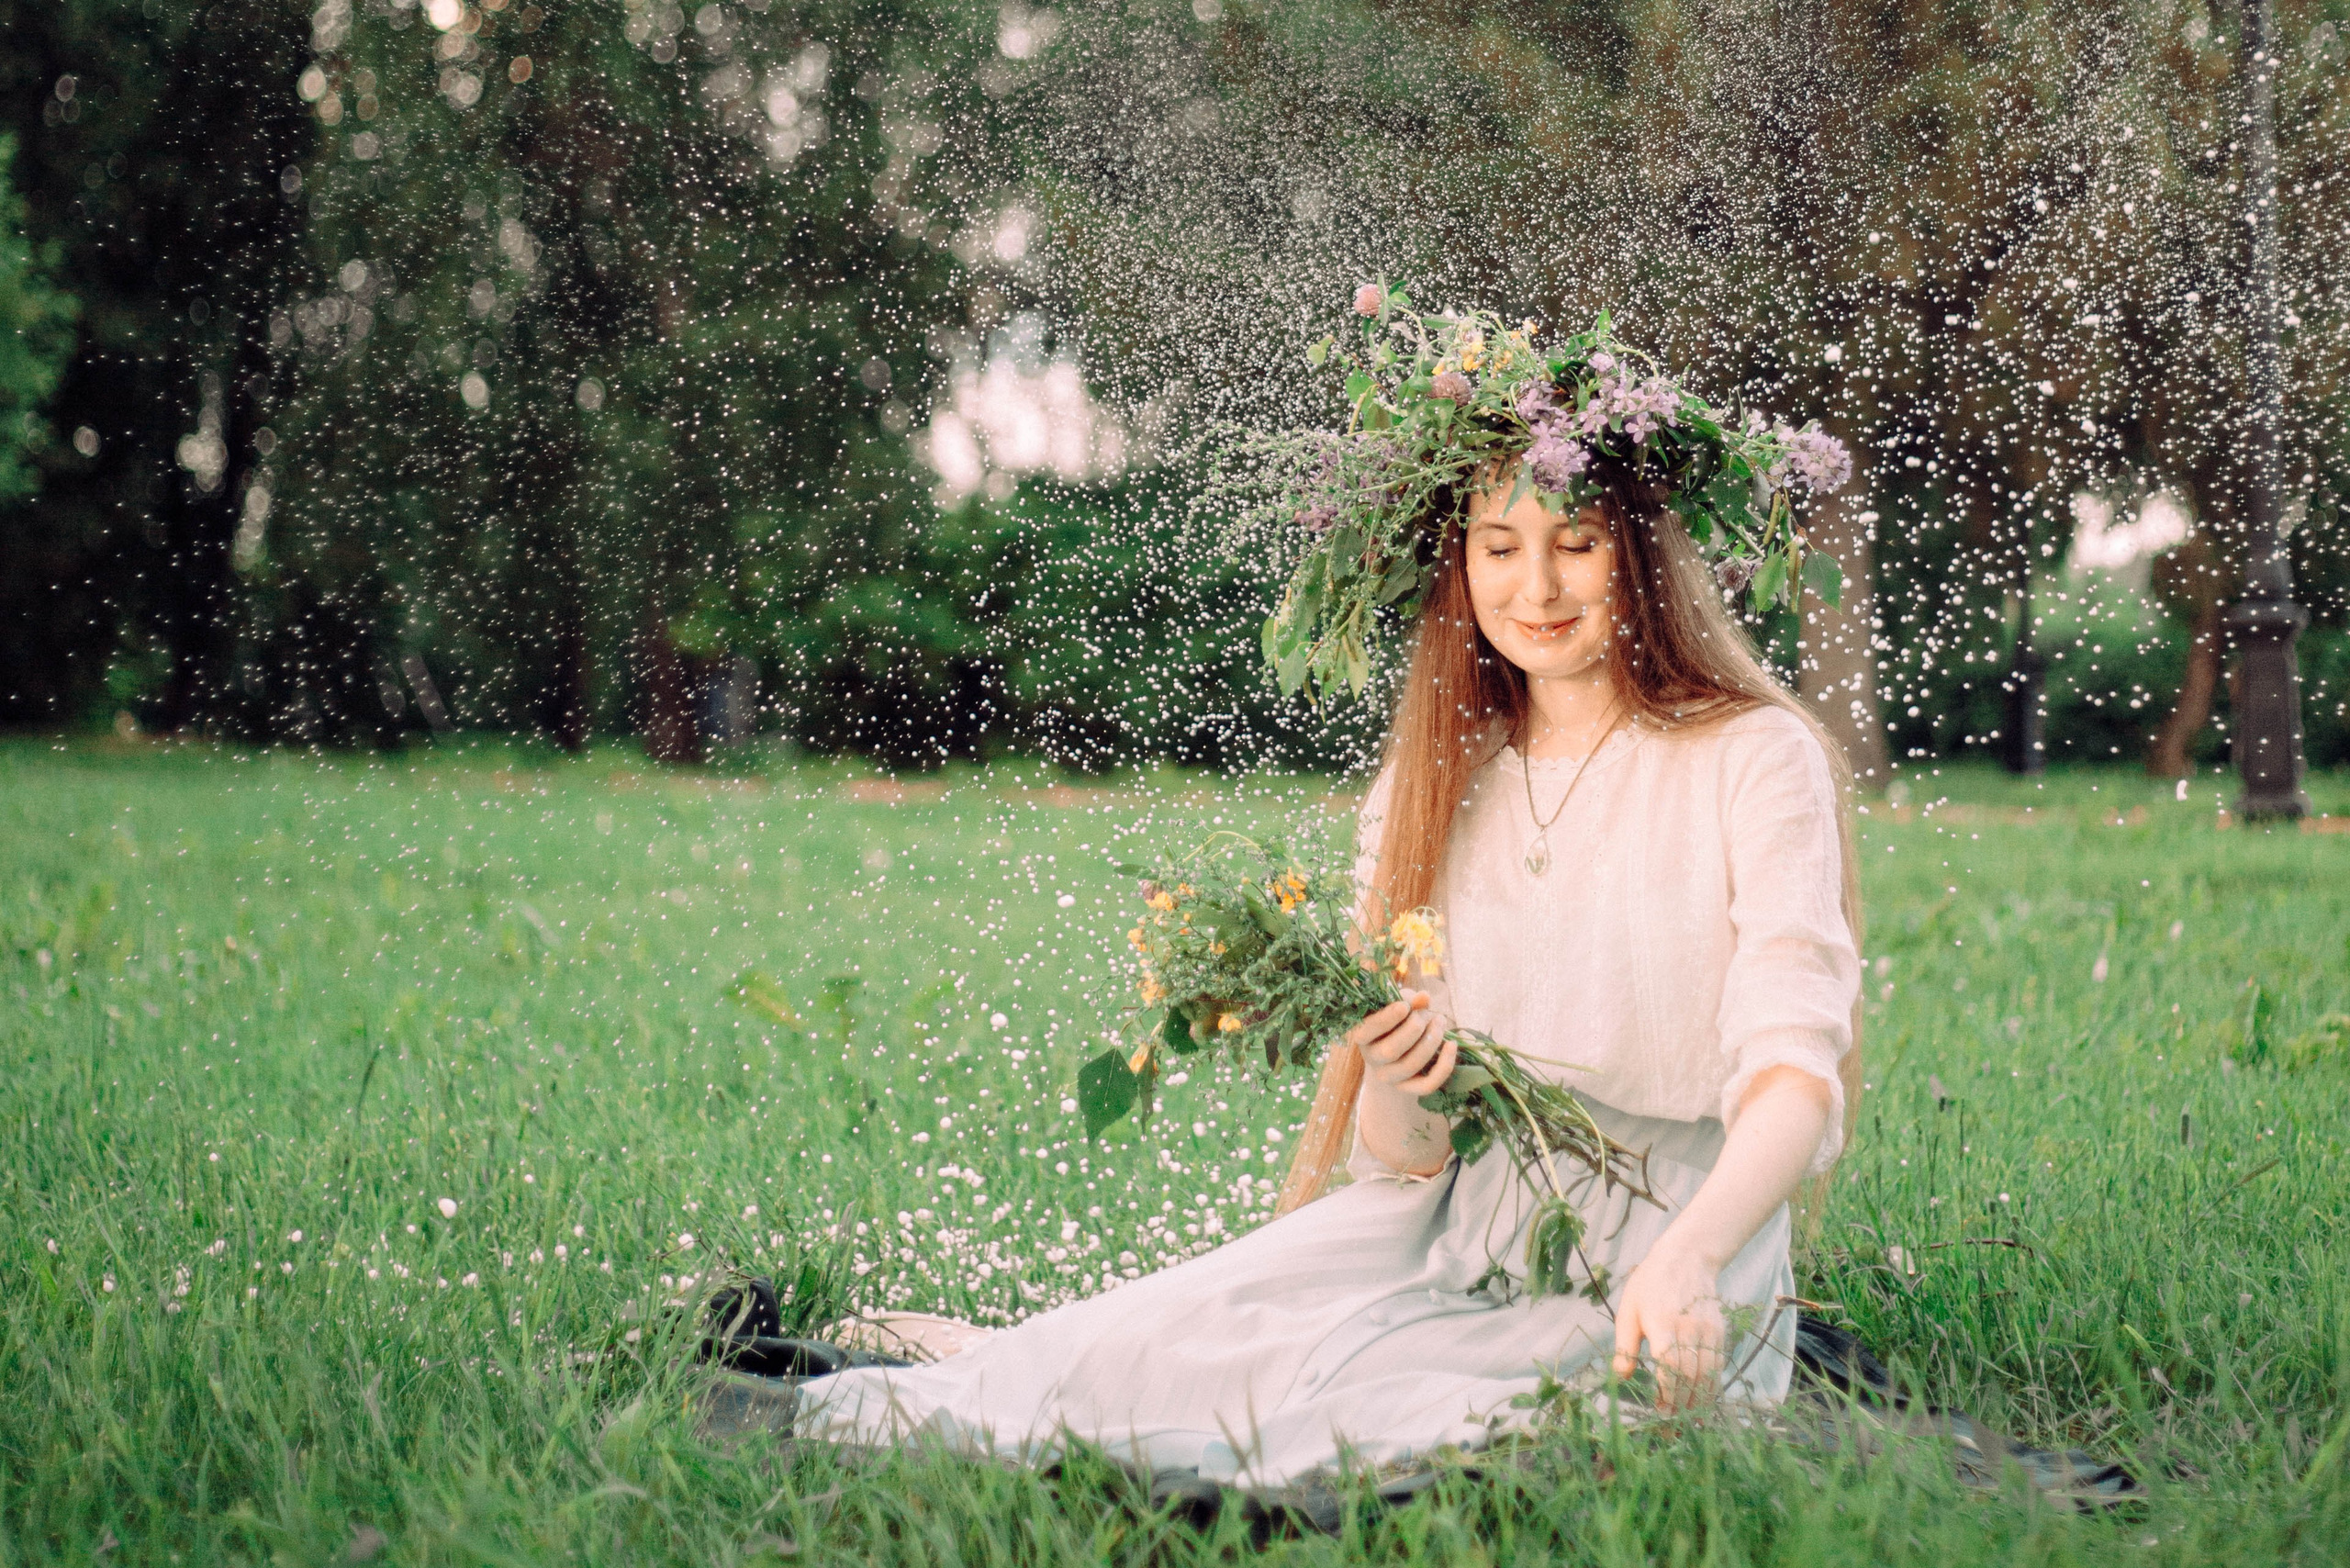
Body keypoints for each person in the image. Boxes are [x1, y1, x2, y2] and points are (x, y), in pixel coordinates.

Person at [792, 310, 1864, 1487]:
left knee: (1411, 1432)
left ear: (1642, 559)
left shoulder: (1751, 756)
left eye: (1578, 543)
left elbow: (1794, 1072)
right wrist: (1404, 1074)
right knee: (1184, 1345)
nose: (1537, 586)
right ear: (1457, 565)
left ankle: (1026, 1362)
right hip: (1459, 1227)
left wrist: (1691, 1260)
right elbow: (1404, 1158)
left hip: (1677, 1237)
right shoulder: (1429, 786)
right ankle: (995, 1355)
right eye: (1498, 547)